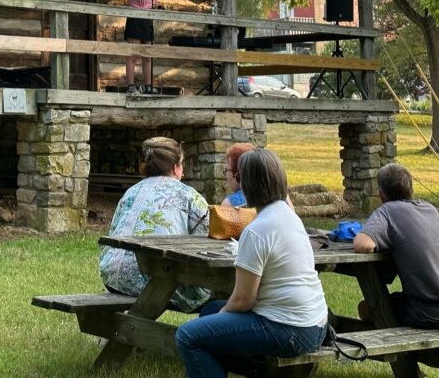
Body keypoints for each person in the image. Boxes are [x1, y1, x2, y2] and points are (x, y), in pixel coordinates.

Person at [175, 149, 328, 378]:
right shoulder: (289, 216)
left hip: (288, 328)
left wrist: (222, 317)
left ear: (246, 183)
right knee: (210, 311)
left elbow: (243, 300)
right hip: (316, 323)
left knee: (188, 336)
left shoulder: (257, 230)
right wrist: (219, 317)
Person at [353, 163, 439, 378]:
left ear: (381, 194)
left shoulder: (386, 211)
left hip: (430, 313)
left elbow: (363, 245)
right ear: (410, 187)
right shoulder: (429, 208)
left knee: (370, 309)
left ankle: (411, 372)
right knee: (394, 310)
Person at [99, 137, 210, 312]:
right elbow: (208, 239)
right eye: (182, 165)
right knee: (214, 292)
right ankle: (205, 336)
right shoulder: (188, 195)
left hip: (112, 275)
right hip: (150, 279)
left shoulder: (131, 192)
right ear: (175, 167)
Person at [125, 0, 159, 93]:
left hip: (147, 19)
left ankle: (148, 86)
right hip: (135, 17)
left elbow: (154, 0)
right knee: (133, 55)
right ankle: (131, 86)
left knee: (147, 56)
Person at [220, 142, 255, 207]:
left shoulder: (229, 204)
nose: (225, 176)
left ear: (237, 173)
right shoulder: (270, 198)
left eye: (226, 170)